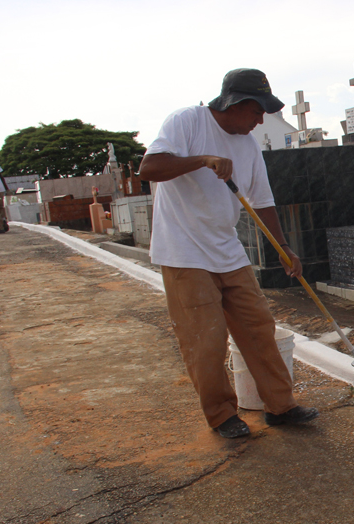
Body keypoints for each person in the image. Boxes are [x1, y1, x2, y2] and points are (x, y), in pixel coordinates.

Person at [138, 68, 318, 438]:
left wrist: (283, 247)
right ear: (236, 104)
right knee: (206, 338)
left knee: (258, 329)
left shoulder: (249, 145)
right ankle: (222, 415)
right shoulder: (187, 121)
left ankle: (280, 407)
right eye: (256, 111)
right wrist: (202, 159)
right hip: (183, 252)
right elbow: (150, 168)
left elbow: (263, 201)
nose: (260, 120)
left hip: (228, 251)